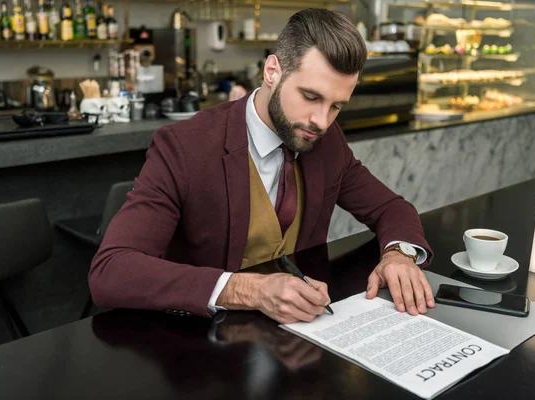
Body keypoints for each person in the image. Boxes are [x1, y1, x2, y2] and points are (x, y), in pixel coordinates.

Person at [89, 8, 435, 324]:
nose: (321, 121)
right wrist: (247, 290)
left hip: (298, 335)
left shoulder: (326, 140)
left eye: (337, 106)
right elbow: (111, 270)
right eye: (311, 97)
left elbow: (391, 207)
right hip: (201, 347)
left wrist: (399, 254)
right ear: (272, 71)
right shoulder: (185, 146)